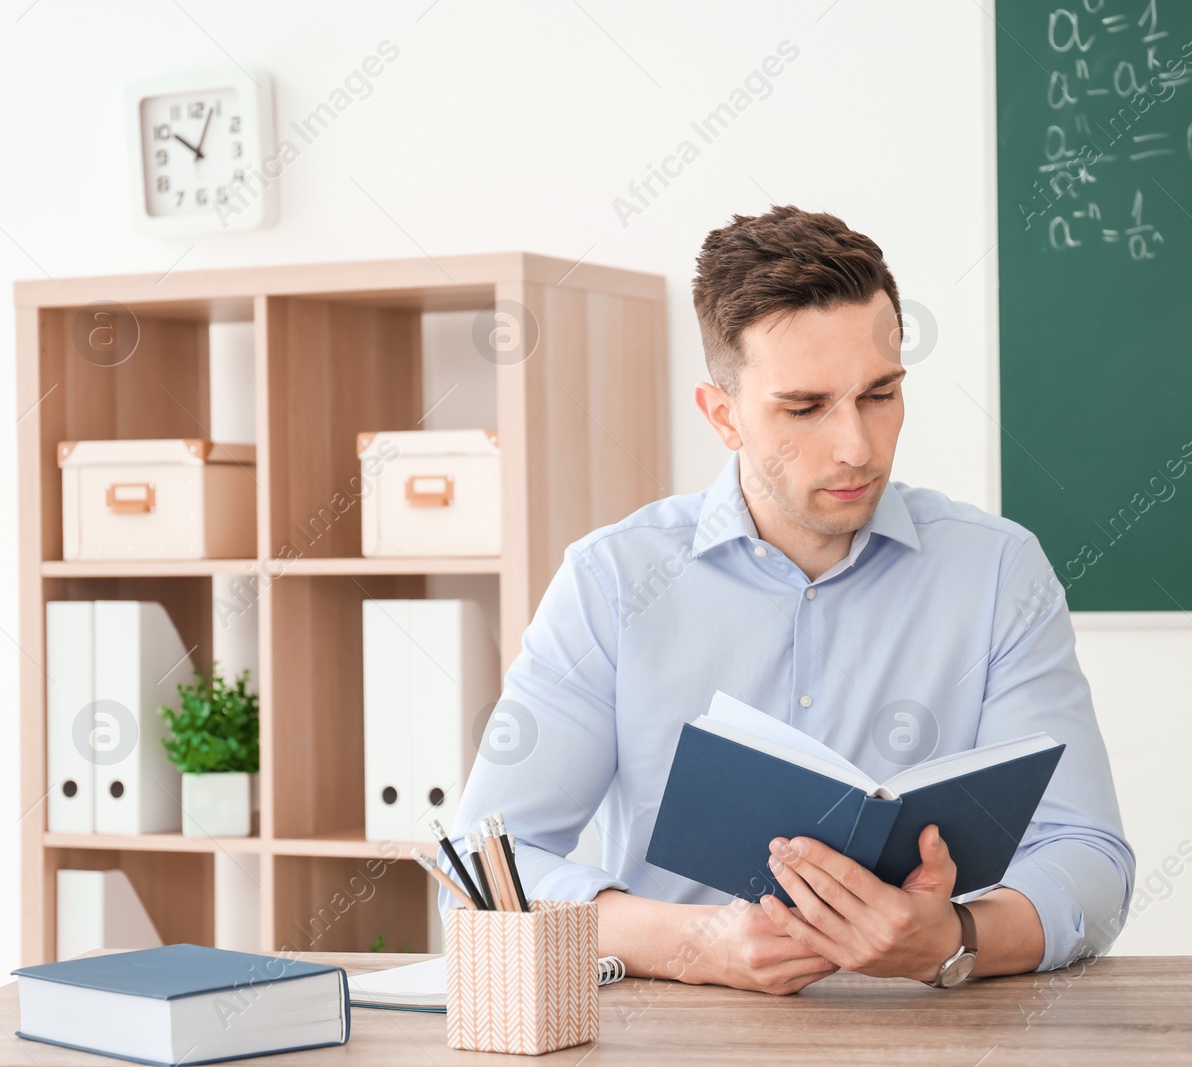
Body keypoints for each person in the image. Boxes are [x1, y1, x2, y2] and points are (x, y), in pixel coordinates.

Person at [443, 205, 1134, 994]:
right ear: (722, 414)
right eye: (805, 408)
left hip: (930, 1034)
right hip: (680, 1040)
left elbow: (1090, 858)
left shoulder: (999, 573)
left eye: (880, 394)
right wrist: (694, 943)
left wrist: (955, 937)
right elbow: (482, 870)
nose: (857, 446)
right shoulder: (611, 580)